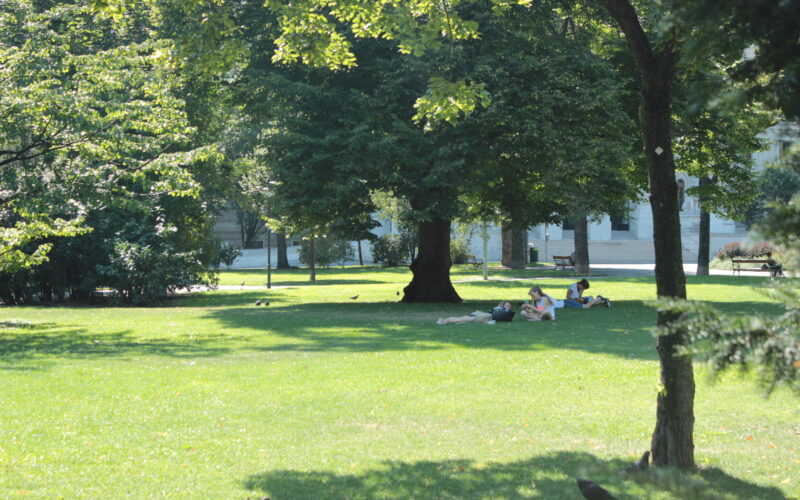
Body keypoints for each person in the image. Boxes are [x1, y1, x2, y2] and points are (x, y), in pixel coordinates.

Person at [436, 301, 514, 325]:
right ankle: (444, 321)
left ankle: (444, 320)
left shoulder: (506, 313)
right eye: (507, 306)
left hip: (483, 317)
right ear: (503, 305)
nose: (507, 308)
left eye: (509, 307)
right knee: (462, 318)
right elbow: (492, 313)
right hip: (483, 316)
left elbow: (510, 318)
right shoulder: (498, 309)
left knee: (464, 319)